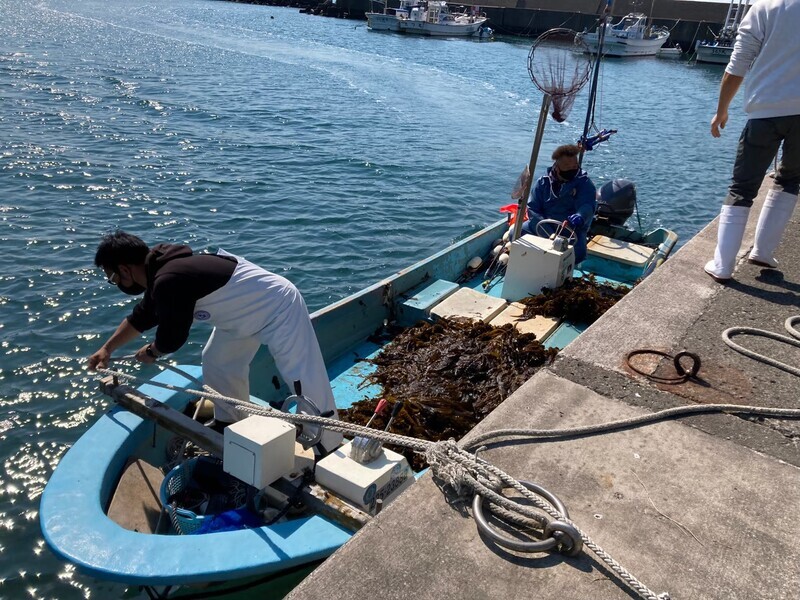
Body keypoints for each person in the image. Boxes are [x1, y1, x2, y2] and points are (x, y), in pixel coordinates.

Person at [87, 230, 343, 454]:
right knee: (217, 361)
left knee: (303, 379)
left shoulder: (169, 279)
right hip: (240, 317)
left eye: (114, 278)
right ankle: (231, 421)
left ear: (124, 269)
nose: (117, 283)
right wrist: (106, 349)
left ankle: (327, 445)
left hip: (278, 307)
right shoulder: (161, 276)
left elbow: (173, 337)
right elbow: (141, 317)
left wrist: (153, 351)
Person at [704, 0, 800, 282]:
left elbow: (738, 64)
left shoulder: (765, 7)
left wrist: (722, 109)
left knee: (742, 188)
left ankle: (723, 265)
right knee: (790, 180)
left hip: (765, 111)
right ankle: (763, 251)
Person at [521, 144, 597, 263]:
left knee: (579, 253)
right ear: (556, 167)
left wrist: (581, 215)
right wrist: (549, 233)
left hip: (570, 230)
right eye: (567, 167)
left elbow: (587, 204)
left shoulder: (585, 184)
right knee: (516, 233)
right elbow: (533, 209)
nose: (572, 169)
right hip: (543, 226)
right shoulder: (543, 182)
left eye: (575, 166)